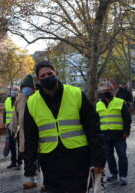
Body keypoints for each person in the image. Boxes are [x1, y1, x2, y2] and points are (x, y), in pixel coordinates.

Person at [23, 60, 105, 193]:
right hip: (50, 161)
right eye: (42, 76)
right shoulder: (32, 102)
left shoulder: (76, 93)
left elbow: (93, 129)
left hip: (78, 158)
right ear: (38, 79)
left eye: (49, 74)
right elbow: (30, 136)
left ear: (57, 73)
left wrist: (98, 159)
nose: (47, 77)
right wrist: (29, 163)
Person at [96, 82, 131, 186]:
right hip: (105, 135)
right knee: (109, 156)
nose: (106, 92)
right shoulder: (98, 104)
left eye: (108, 91)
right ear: (100, 92)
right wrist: (98, 132)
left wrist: (126, 132)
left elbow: (127, 119)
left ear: (113, 91)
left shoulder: (120, 102)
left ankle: (123, 176)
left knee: (122, 155)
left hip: (119, 135)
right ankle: (113, 174)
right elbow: (96, 120)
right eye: (103, 91)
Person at [9, 74, 39, 189]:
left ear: (33, 88)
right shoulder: (19, 99)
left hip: (39, 133)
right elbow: (15, 116)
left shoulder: (38, 98)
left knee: (41, 158)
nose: (27, 89)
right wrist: (13, 128)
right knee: (28, 157)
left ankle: (46, 182)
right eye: (25, 87)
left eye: (29, 87)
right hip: (24, 134)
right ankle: (32, 180)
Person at [4, 86, 20, 169]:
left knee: (19, 145)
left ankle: (19, 163)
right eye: (13, 90)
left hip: (19, 126)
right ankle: (13, 162)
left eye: (16, 90)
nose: (14, 91)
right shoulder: (7, 100)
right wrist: (5, 122)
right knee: (12, 144)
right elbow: (5, 112)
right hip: (10, 126)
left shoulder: (21, 100)